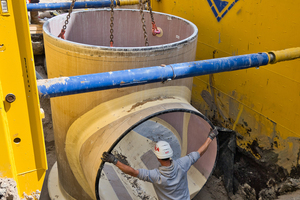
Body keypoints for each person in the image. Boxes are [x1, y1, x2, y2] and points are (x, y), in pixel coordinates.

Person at [101, 127, 218, 200]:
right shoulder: (183, 163)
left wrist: (115, 161)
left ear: (158, 158)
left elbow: (133, 172)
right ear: (170, 154)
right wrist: (210, 137)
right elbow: (199, 152)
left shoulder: (156, 176)